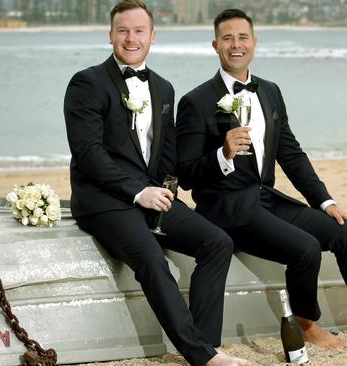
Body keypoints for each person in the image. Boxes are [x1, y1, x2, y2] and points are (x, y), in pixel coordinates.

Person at [175, 8, 347, 349]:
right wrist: (223, 154)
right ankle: (307, 326)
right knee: (305, 249)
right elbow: (186, 173)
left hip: (266, 198)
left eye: (243, 37)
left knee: (346, 233)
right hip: (227, 208)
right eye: (227, 38)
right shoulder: (196, 101)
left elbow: (291, 155)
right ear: (215, 45)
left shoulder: (271, 92)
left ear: (255, 43)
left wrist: (326, 202)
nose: (236, 44)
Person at [63, 1, 251, 365]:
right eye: (123, 31)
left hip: (151, 195)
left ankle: (208, 343)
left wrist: (166, 192)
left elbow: (166, 154)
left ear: (152, 36)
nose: (130, 39)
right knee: (151, 258)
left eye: (138, 31)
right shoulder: (87, 82)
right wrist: (138, 192)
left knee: (217, 243)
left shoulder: (163, 88)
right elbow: (88, 153)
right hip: (104, 201)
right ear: (111, 36)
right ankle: (201, 355)